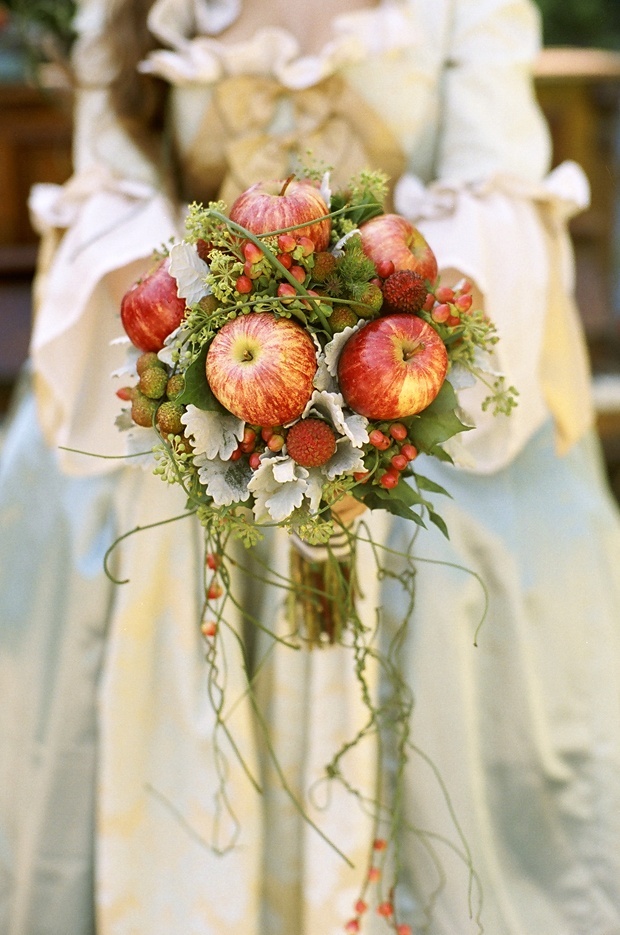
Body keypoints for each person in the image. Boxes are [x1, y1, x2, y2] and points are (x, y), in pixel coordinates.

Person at [2, 0, 620, 933]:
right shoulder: (125, 12)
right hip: (191, 399)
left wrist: (360, 372)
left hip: (412, 387)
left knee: (473, 601)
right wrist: (215, 367)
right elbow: (111, 197)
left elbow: (494, 187)